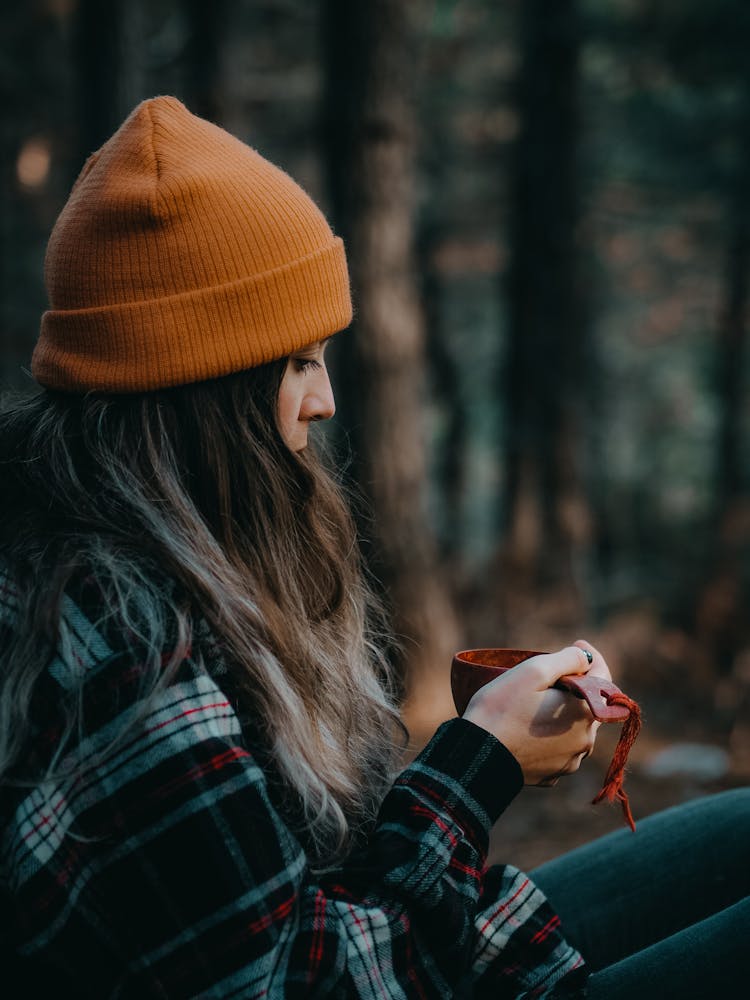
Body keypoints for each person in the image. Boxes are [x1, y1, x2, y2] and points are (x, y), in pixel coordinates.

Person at [0, 96, 746, 1000]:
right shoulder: (125, 641)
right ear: (211, 384)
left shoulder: (126, 554)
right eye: (300, 361)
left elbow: (312, 895)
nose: (325, 401)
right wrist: (480, 766)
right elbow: (293, 982)